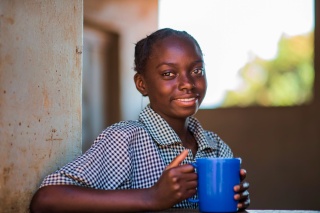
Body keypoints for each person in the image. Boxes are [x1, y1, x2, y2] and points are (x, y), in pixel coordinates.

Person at [30, 28, 250, 212]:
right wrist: (152, 197)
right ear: (142, 84)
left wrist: (237, 203)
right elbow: (46, 200)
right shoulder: (125, 140)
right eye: (168, 74)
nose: (188, 83)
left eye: (197, 70)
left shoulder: (216, 148)